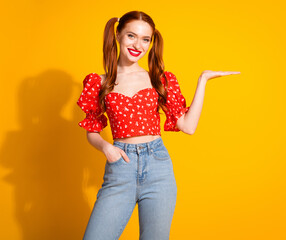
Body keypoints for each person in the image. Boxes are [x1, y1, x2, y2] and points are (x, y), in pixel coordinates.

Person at [77, 10, 240, 240]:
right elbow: (92, 131)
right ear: (118, 35)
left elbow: (188, 126)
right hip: (120, 168)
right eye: (131, 36)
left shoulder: (158, 79)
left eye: (146, 39)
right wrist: (107, 148)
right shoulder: (100, 82)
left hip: (158, 169)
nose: (138, 45)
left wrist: (202, 80)